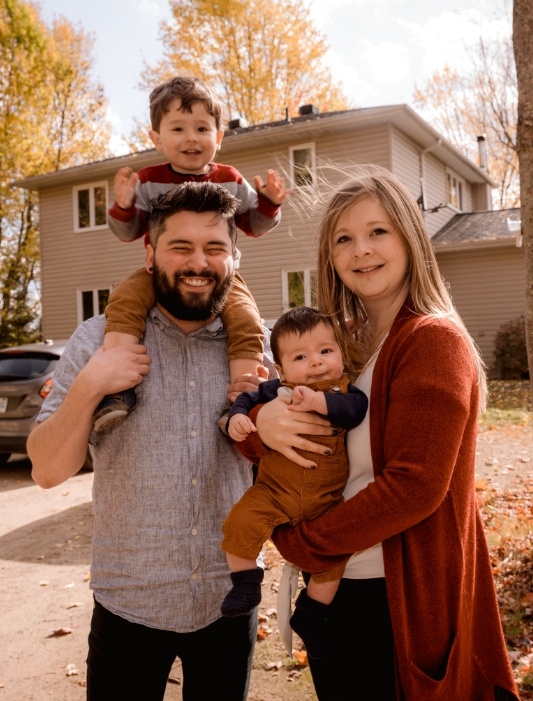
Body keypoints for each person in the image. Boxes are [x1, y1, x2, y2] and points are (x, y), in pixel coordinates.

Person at [236, 166, 520, 700]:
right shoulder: (341, 349)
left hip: (390, 600)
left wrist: (301, 544)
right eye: (344, 238)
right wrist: (263, 422)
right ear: (330, 255)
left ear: (410, 238)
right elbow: (283, 436)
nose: (361, 250)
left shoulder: (432, 340)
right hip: (343, 593)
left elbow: (414, 486)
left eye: (377, 232)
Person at [28, 181, 275, 701]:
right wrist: (93, 382)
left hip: (228, 600)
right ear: (149, 253)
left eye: (214, 248)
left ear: (235, 255)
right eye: (180, 247)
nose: (198, 263)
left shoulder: (258, 354)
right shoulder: (97, 338)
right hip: (127, 602)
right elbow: (47, 471)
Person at [95, 75, 289, 431]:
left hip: (222, 281)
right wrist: (123, 206)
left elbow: (253, 225)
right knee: (124, 300)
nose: (191, 138)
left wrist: (270, 204)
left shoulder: (230, 178)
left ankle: (242, 401)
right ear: (156, 138)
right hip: (160, 275)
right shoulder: (149, 180)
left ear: (218, 137)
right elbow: (129, 232)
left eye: (202, 128)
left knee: (246, 319)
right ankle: (116, 390)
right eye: (178, 128)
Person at [220, 306, 368, 660]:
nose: (316, 362)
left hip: (326, 502)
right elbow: (245, 398)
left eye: (325, 351)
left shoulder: (346, 391)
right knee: (239, 522)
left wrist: (320, 400)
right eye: (301, 356)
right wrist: (237, 417)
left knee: (334, 559)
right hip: (274, 493)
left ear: (340, 354)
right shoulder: (274, 390)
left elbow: (355, 411)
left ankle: (312, 613)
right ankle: (245, 583)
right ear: (281, 369)